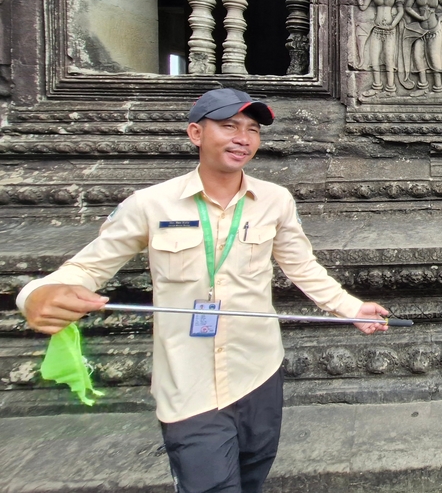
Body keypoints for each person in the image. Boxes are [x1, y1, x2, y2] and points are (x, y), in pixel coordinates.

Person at [17, 88, 390, 493]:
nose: (243, 138)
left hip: (258, 372)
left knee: (251, 479)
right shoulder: (149, 205)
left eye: (252, 129)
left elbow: (301, 265)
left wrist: (351, 307)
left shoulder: (274, 200)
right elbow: (87, 266)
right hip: (188, 384)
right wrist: (36, 294)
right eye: (228, 126)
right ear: (196, 133)